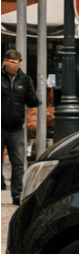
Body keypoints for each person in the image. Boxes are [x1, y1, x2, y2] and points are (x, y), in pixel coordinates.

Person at [1, 49, 40, 205]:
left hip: (16, 127)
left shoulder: (24, 79)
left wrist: (31, 94)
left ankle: (17, 195)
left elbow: (33, 101)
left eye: (17, 63)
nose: (15, 66)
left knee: (18, 163)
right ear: (5, 62)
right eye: (11, 62)